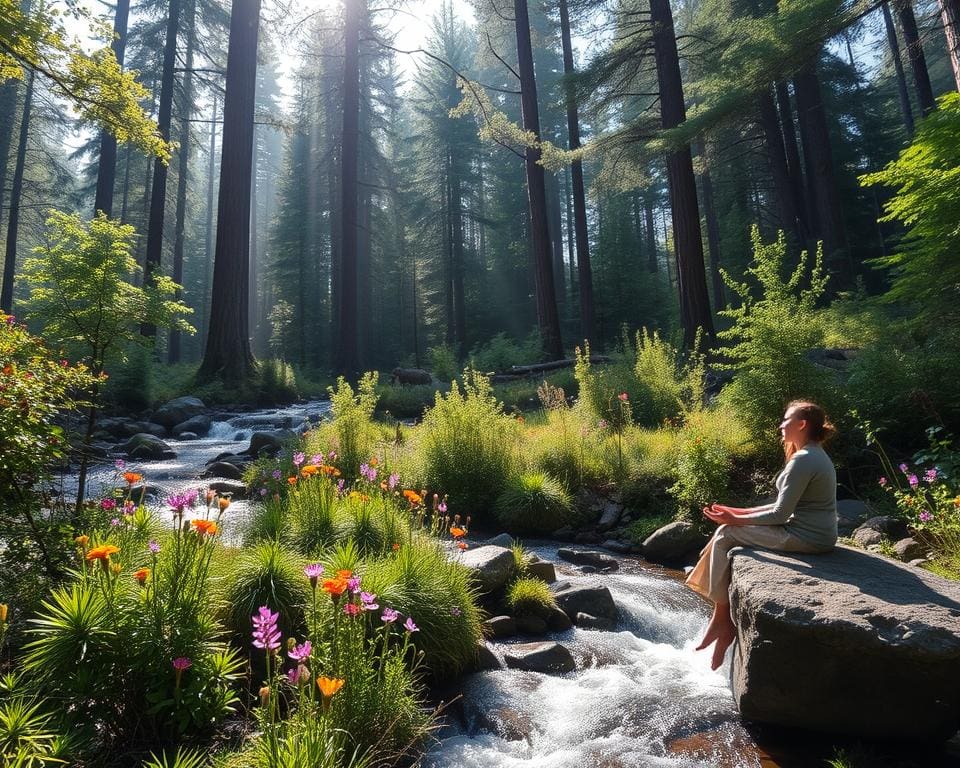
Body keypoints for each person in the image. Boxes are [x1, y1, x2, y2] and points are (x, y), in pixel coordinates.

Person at [686, 400, 838, 670]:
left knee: (725, 534)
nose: (781, 425)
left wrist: (734, 520)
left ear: (802, 424)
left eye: (786, 420)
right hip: (810, 532)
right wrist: (738, 511)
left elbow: (780, 514)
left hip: (807, 537)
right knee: (726, 530)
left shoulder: (803, 459)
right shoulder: (812, 454)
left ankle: (723, 619)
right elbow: (784, 506)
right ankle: (721, 618)